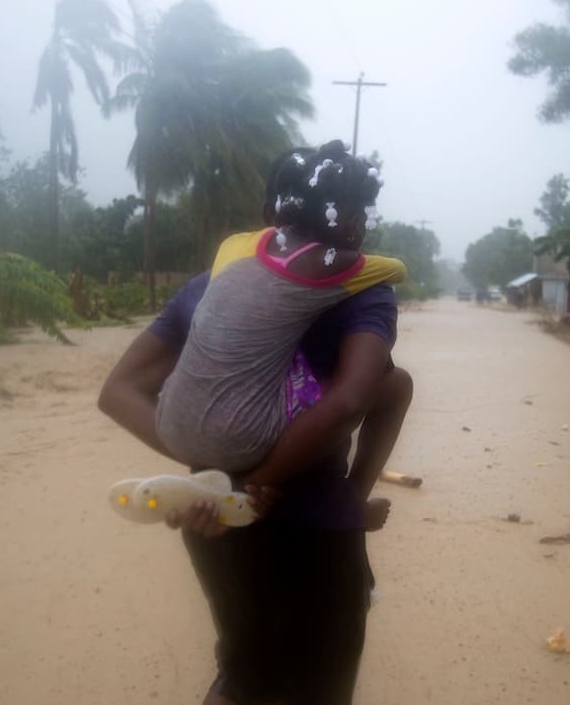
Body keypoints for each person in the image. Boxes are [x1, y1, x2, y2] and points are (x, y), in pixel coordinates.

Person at [98, 153, 413, 705]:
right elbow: (357, 394)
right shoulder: (359, 290)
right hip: (317, 529)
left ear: (270, 214)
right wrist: (295, 486)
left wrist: (218, 474)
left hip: (213, 518)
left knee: (241, 677)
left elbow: (120, 391)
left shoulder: (210, 284)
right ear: (355, 222)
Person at [154, 139, 407, 477]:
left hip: (170, 428)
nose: (363, 227)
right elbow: (396, 268)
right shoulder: (343, 271)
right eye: (360, 217)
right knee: (395, 384)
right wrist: (264, 481)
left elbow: (116, 391)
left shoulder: (232, 249)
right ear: (347, 222)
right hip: (248, 444)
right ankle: (353, 499)